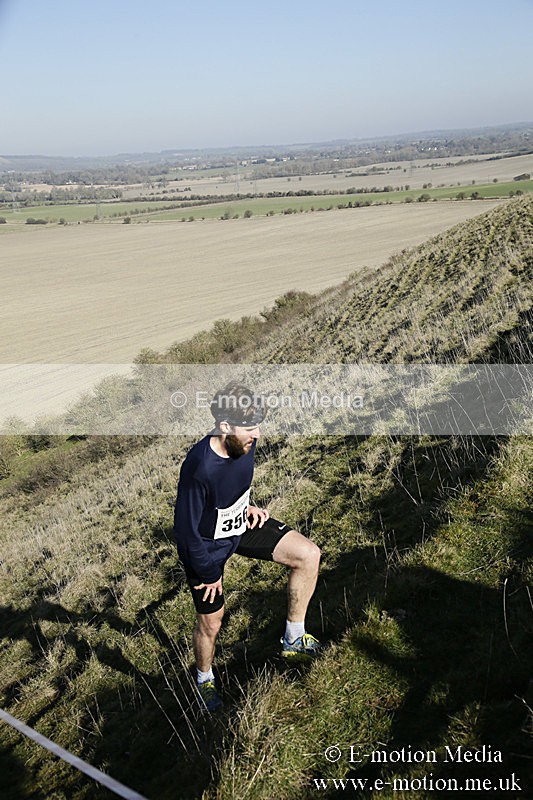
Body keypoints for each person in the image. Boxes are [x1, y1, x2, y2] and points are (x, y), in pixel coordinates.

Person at [173, 381, 322, 711]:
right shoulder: (199, 467)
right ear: (225, 426)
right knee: (211, 623)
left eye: (258, 426)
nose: (256, 435)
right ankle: (203, 681)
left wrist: (247, 505)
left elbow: (233, 483)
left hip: (241, 525)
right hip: (206, 550)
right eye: (249, 428)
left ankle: (294, 639)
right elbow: (186, 534)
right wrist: (208, 573)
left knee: (308, 555)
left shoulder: (243, 444)